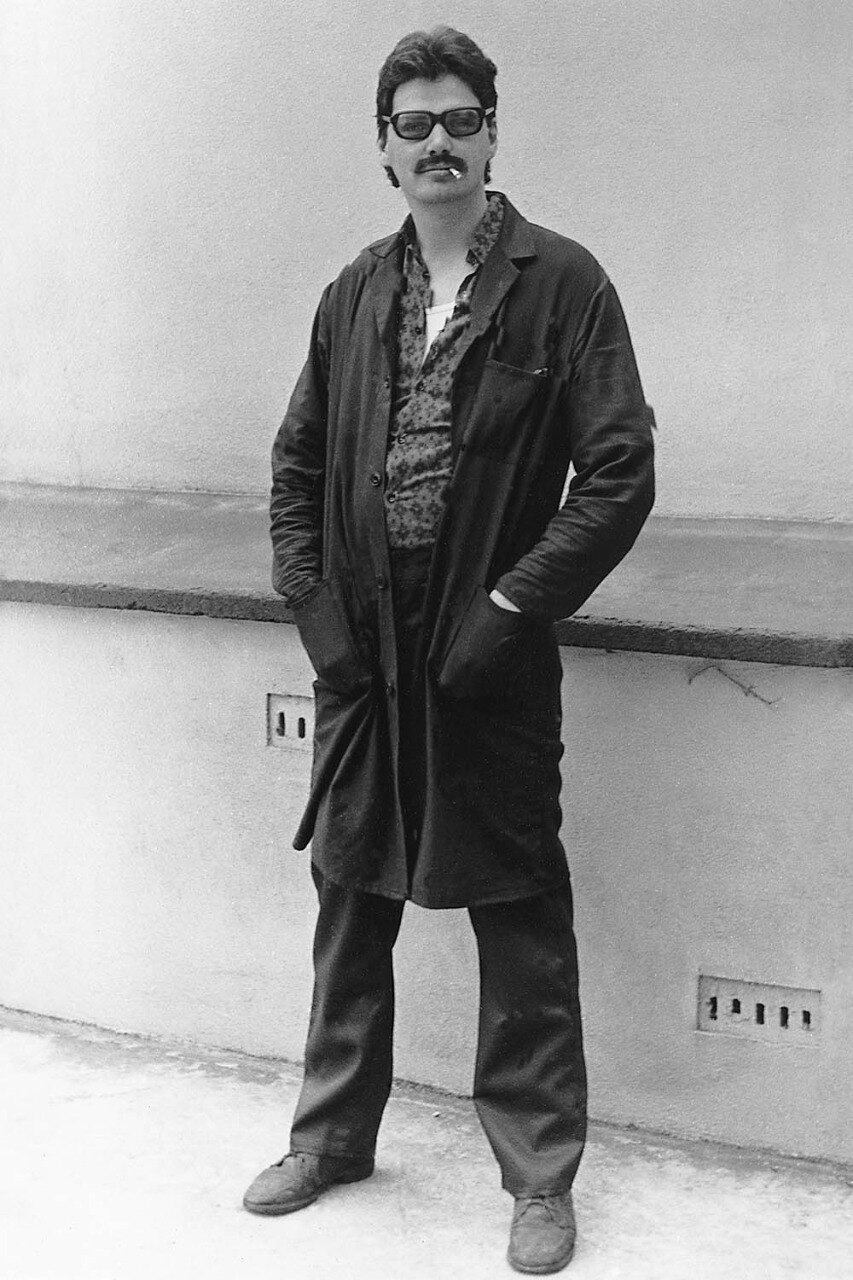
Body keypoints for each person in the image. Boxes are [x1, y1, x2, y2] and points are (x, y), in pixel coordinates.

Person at [244, 26, 655, 1275]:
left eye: (459, 121)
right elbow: (296, 465)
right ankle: (330, 1136)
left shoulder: (562, 284)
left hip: (490, 649)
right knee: (350, 892)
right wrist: (314, 608)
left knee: (517, 902)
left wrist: (514, 606)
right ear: (384, 148)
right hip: (363, 650)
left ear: (491, 135)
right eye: (413, 124)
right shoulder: (354, 293)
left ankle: (538, 1176)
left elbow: (618, 474)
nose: (438, 143)